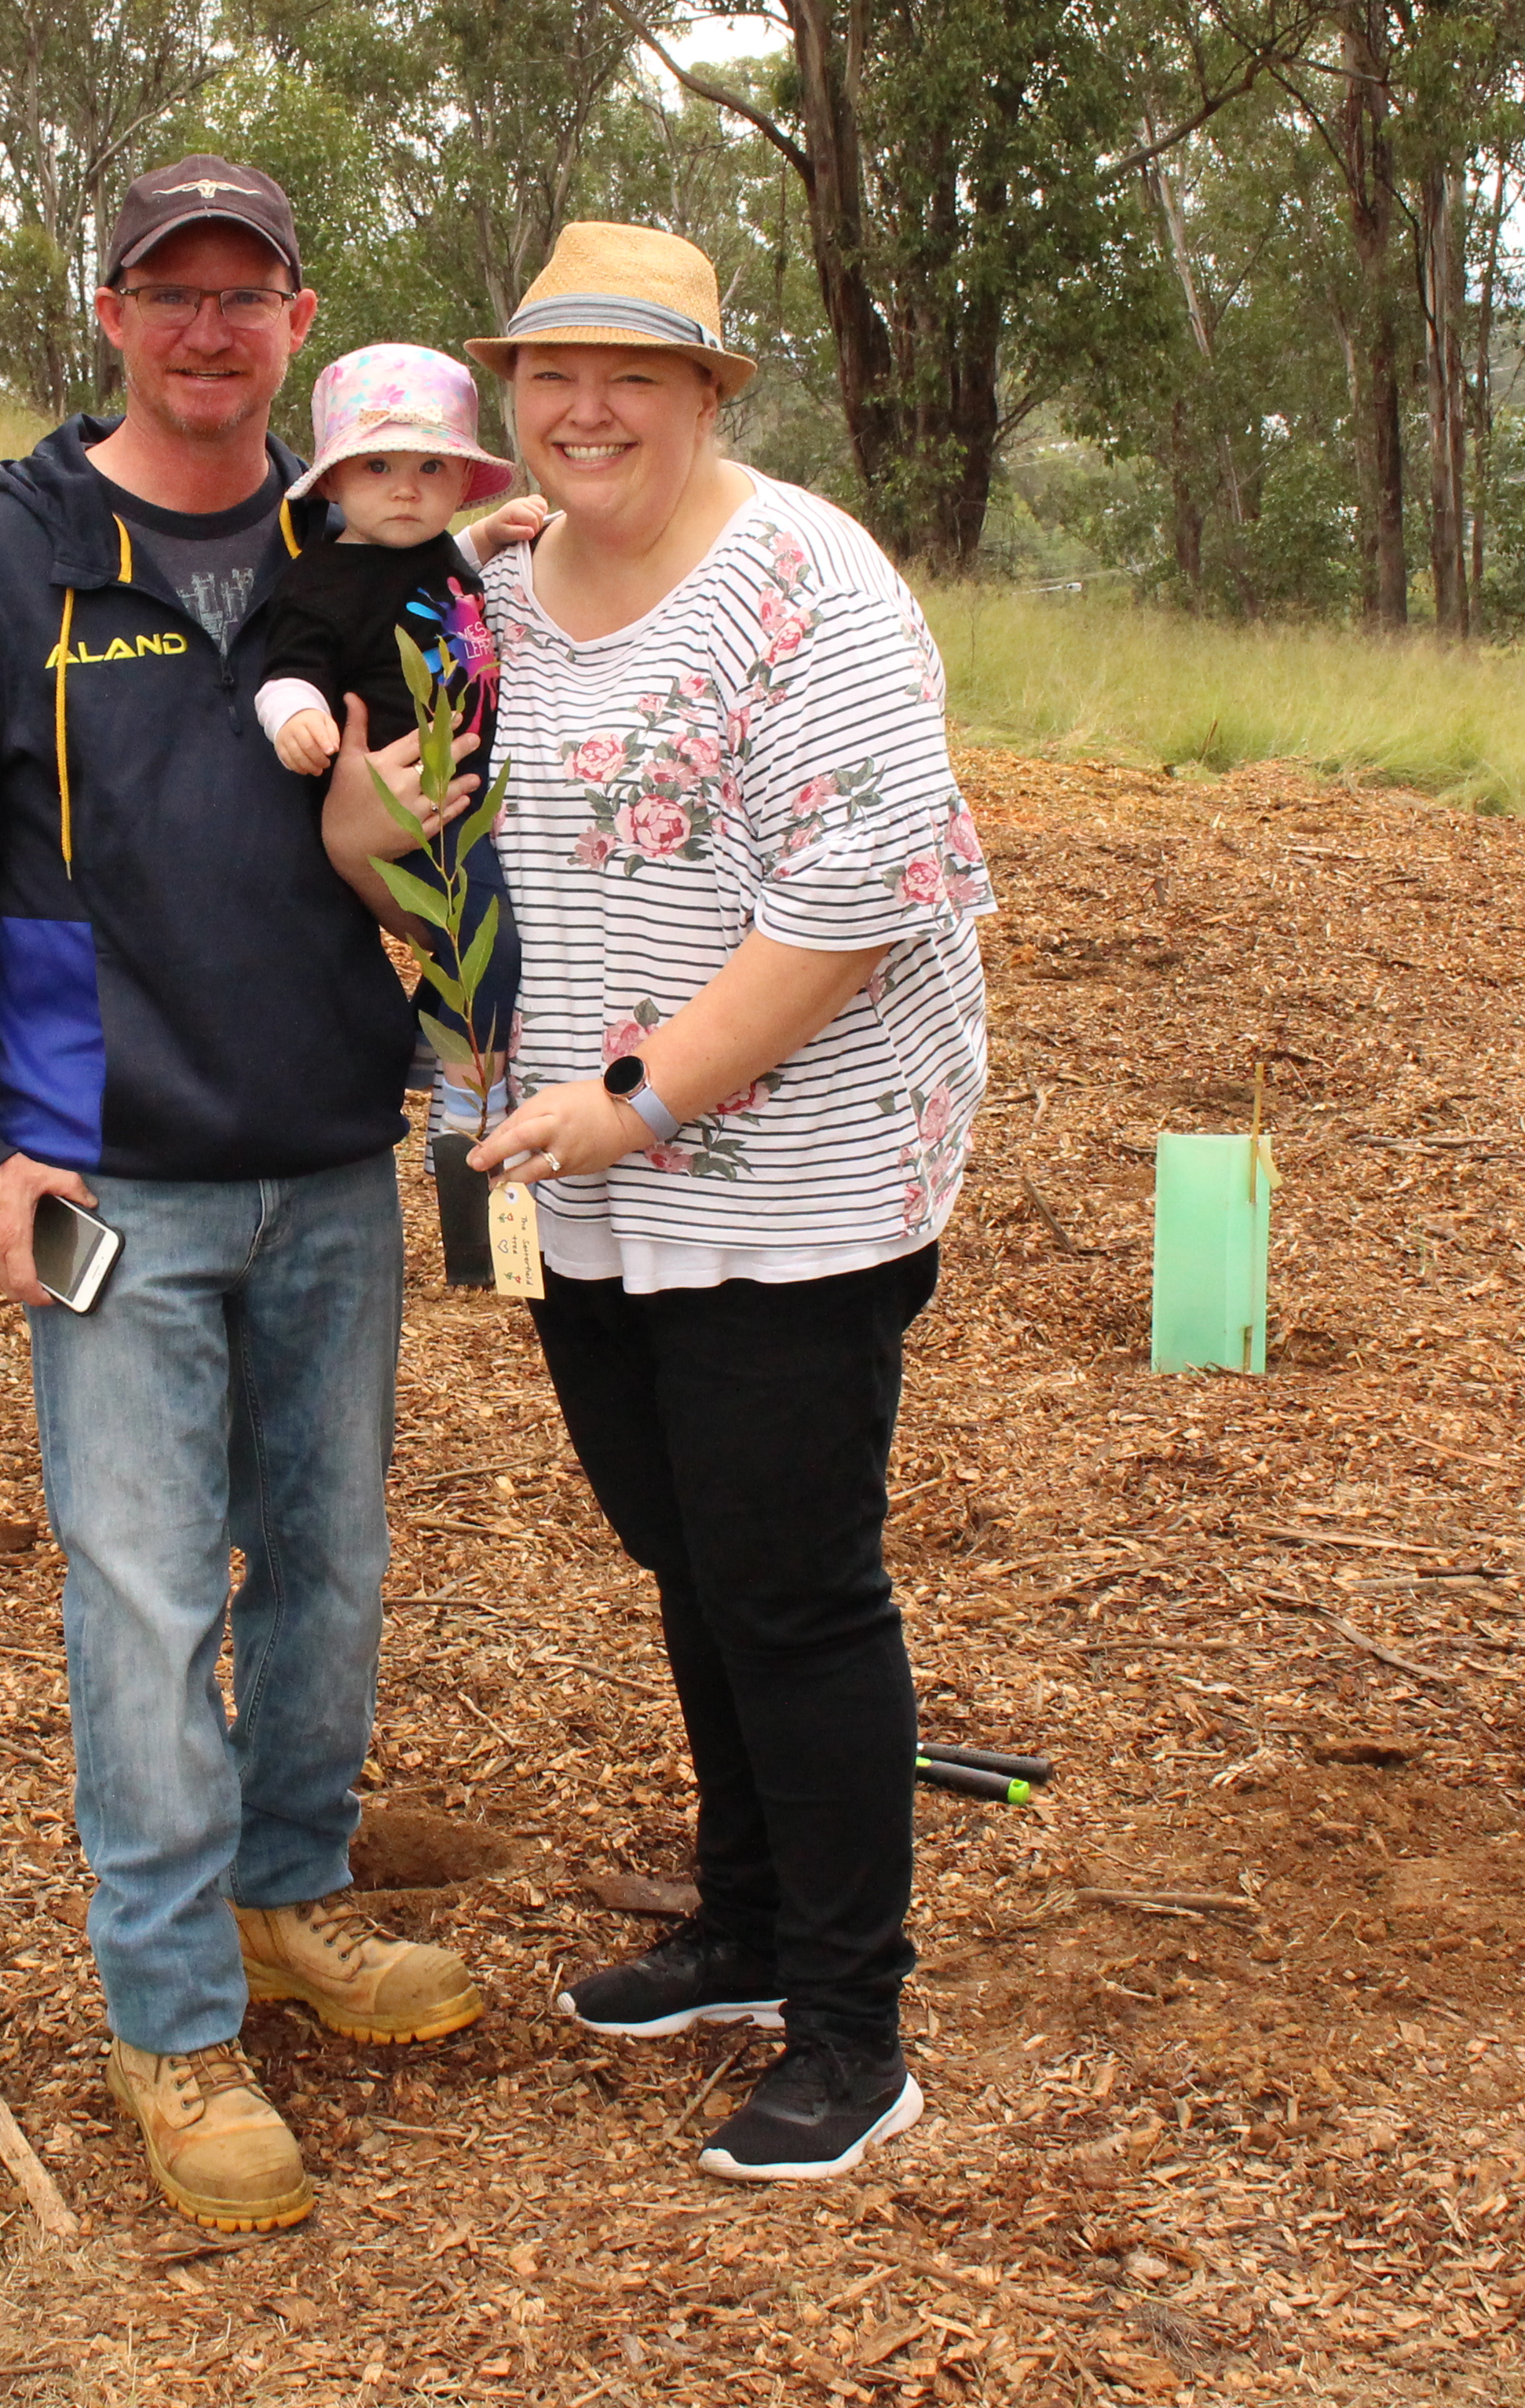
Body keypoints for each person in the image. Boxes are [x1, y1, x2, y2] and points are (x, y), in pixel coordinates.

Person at [0, 154, 483, 2238]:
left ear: (301, 323)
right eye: (169, 293)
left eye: (249, 296)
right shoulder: (5, 562)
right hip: (108, 1175)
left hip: (327, 1157)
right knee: (140, 1606)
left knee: (327, 1567)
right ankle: (173, 2016)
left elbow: (467, 821)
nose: (210, 330)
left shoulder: (371, 544)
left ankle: (292, 1895)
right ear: (109, 313)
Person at [323, 219, 993, 2184]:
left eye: (635, 373)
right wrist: (363, 844)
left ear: (709, 394)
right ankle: (746, 1920)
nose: (586, 406)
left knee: (788, 1580)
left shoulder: (809, 589)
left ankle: (852, 2027)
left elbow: (853, 904)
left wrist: (639, 1096)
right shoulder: (488, 593)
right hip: (569, 1170)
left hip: (788, 1175)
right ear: (506, 400)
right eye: (551, 373)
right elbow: (421, 852)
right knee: (682, 1550)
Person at [250, 342, 528, 1135]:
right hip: (411, 802)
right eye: (378, 468)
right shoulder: (320, 580)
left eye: (432, 470)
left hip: (464, 792)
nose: (406, 488)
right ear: (333, 478)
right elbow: (288, 670)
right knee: (486, 940)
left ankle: (422, 1038)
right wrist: (296, 716)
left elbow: (435, 585)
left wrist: (488, 540)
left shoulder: (438, 552)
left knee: (484, 930)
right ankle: (470, 1100)